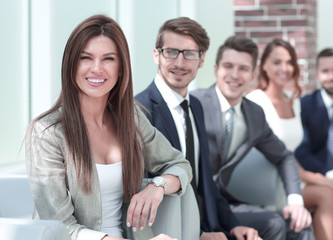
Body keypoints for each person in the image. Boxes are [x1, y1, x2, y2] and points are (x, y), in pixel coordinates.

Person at [25, 15, 192, 240]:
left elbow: (179, 164)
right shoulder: (46, 133)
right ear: (71, 64)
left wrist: (157, 186)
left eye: (108, 59)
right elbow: (61, 228)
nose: (97, 69)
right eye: (86, 58)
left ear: (121, 68)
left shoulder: (130, 118)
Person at [135, 17, 261, 240]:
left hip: (207, 226)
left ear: (202, 59)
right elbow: (139, 189)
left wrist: (234, 226)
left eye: (189, 54)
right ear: (157, 54)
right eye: (171, 52)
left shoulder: (197, 108)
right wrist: (200, 235)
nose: (180, 63)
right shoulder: (139, 111)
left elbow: (205, 184)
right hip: (170, 231)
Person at [192, 36, 314, 240]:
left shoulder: (254, 113)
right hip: (194, 205)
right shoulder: (195, 103)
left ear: (253, 74)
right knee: (274, 224)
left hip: (225, 202)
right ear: (216, 70)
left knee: (299, 225)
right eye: (228, 66)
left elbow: (284, 156)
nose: (234, 75)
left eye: (243, 68)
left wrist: (295, 202)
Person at [246, 39, 333, 240]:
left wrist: (327, 180)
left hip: (291, 177)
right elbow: (275, 156)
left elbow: (291, 154)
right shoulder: (256, 101)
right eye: (277, 62)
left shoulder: (293, 101)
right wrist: (321, 179)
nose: (285, 68)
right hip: (268, 182)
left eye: (289, 62)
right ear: (264, 65)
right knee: (326, 193)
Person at [294, 48, 333, 195]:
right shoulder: (304, 106)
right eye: (325, 71)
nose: (331, 77)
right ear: (317, 74)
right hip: (310, 178)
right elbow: (301, 153)